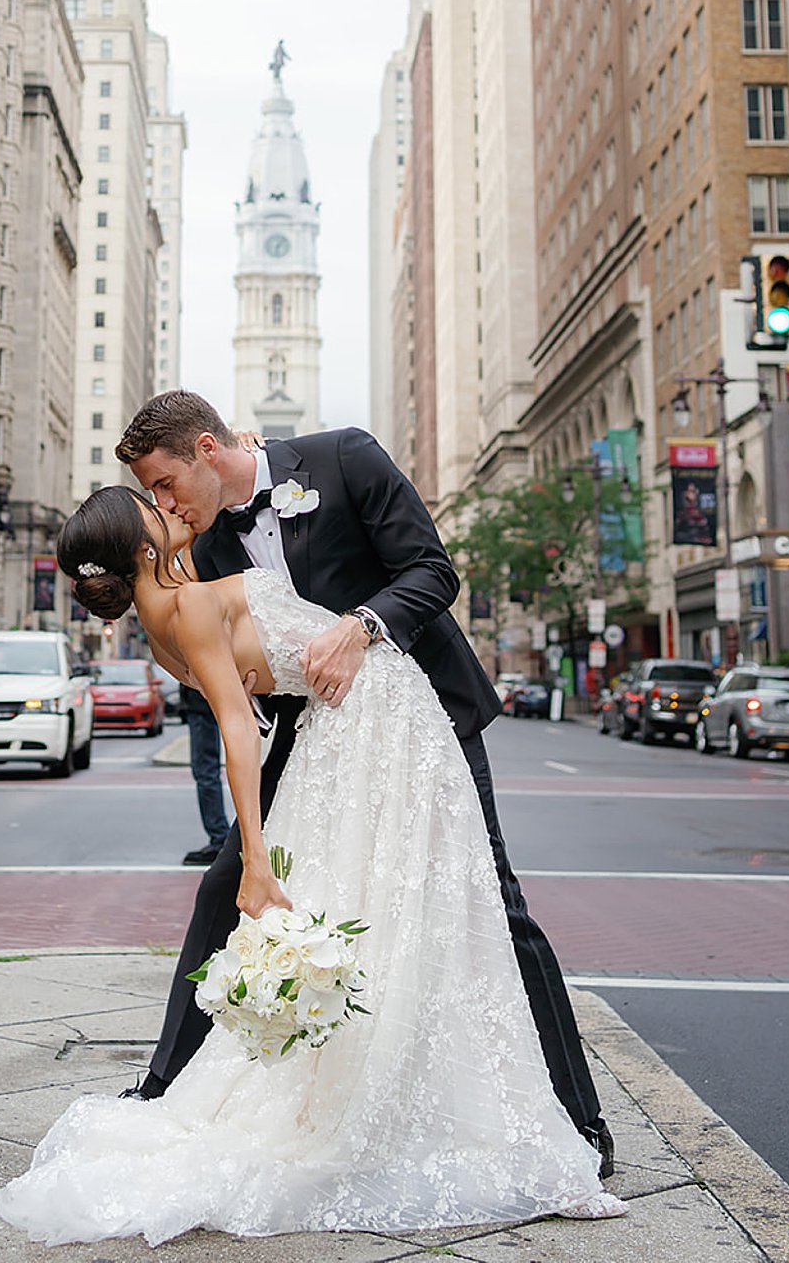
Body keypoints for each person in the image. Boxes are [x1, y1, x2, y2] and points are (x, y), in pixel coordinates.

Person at [0, 485, 623, 1241]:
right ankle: (441, 1107)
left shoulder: (165, 622)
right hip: (378, 719)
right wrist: (254, 858)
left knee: (388, 913)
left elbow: (232, 647)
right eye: (156, 507)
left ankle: (399, 1092)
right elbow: (238, 733)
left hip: (351, 732)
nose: (170, 507)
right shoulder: (189, 607)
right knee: (431, 909)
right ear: (149, 549)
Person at [112, 392, 612, 1175]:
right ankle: (163, 1088)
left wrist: (362, 623)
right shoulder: (205, 547)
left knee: (495, 901)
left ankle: (580, 1122)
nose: (163, 502)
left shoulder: (344, 458)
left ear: (207, 449)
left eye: (166, 483)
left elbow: (432, 571)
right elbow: (247, 652)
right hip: (316, 735)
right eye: (152, 494)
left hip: (425, 719)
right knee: (227, 886)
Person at [179, 681, 228, 864]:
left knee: (206, 772)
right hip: (211, 698)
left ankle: (220, 839)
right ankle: (225, 838)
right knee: (208, 771)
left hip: (203, 700)